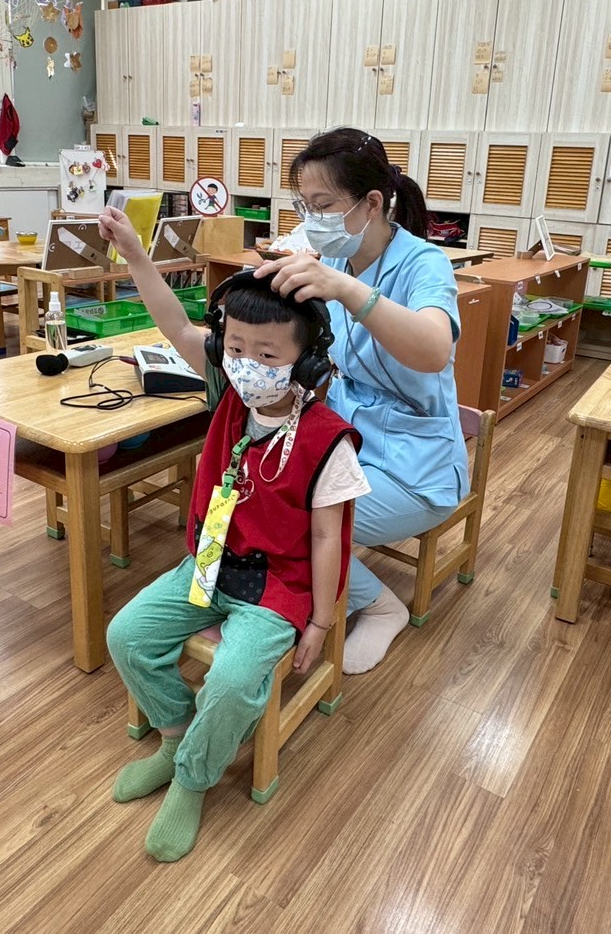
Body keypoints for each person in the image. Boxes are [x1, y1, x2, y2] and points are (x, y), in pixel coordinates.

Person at [97, 206, 369, 863]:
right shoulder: (228, 392)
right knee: (126, 635)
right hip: (208, 565)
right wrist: (135, 254)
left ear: (305, 363)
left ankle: (193, 779)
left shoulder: (327, 440)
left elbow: (328, 540)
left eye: (268, 355)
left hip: (275, 589)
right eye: (238, 349)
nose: (248, 365)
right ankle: (175, 737)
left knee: (232, 679)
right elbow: (173, 323)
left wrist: (321, 621)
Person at [255, 127, 469, 674]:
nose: (312, 219)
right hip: (347, 444)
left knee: (294, 520)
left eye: (323, 205)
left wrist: (347, 290)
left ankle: (378, 606)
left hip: (415, 467)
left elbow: (433, 350)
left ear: (372, 203)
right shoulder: (334, 256)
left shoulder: (422, 263)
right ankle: (310, 595)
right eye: (305, 206)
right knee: (261, 496)